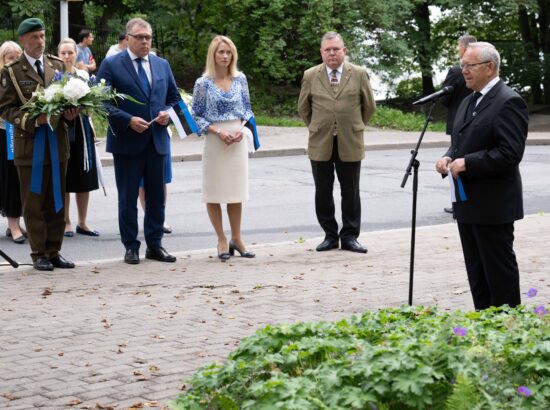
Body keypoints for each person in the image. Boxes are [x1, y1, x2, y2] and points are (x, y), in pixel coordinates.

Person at [435, 42, 528, 310]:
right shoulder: (468, 100)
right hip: (467, 202)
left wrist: (468, 164)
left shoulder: (508, 101)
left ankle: (507, 326)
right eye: (462, 65)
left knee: (498, 270)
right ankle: (482, 322)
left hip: (494, 204)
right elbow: (461, 143)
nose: (463, 71)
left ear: (489, 67)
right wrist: (449, 157)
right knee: (476, 270)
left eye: (469, 65)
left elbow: (510, 154)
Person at [97, 18, 179, 265]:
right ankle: (130, 246)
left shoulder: (161, 64)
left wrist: (168, 114)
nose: (145, 41)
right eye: (140, 37)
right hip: (127, 142)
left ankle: (155, 245)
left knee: (156, 197)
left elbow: (174, 98)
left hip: (156, 141)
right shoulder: (111, 64)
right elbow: (101, 102)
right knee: (128, 197)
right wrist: (127, 119)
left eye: (148, 37)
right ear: (128, 38)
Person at [0, 18, 78, 271]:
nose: (41, 42)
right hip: (30, 145)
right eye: (35, 37)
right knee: (33, 202)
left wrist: (70, 114)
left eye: (43, 36)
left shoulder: (56, 65)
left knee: (57, 198)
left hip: (57, 142)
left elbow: (67, 98)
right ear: (23, 40)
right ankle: (39, 253)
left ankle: (55, 251)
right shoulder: (12, 71)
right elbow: (5, 109)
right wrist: (33, 120)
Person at [298, 32, 376, 254]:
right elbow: (303, 108)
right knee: (323, 192)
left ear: (344, 50)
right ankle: (330, 236)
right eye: (327, 49)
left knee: (350, 191)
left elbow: (368, 106)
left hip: (350, 140)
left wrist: (352, 125)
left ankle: (350, 237)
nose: (332, 53)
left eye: (335, 49)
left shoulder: (359, 74)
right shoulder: (311, 75)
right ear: (321, 53)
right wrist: (317, 126)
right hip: (320, 141)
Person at [192, 35, 256, 262]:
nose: (225, 56)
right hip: (215, 139)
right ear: (213, 54)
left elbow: (248, 110)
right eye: (221, 52)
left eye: (228, 52)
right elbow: (196, 115)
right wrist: (219, 132)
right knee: (215, 192)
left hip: (237, 140)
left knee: (236, 192)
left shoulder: (240, 79)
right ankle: (221, 239)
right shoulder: (203, 83)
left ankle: (237, 238)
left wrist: (240, 129)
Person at [57, 38, 100, 238]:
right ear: (58, 55)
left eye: (70, 53)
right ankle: (66, 221)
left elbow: (92, 102)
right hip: (63, 131)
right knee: (65, 176)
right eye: (63, 53)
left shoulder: (83, 75)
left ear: (76, 54)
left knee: (84, 175)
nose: (67, 56)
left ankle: (83, 222)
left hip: (82, 129)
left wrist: (86, 108)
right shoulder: (55, 77)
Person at [440, 34, 477, 214]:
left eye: (458, 47)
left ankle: (457, 202)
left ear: (463, 48)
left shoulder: (455, 71)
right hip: (472, 121)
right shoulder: (462, 71)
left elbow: (444, 98)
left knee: (457, 158)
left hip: (458, 120)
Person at [0, 41, 26, 244]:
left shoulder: (24, 77)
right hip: (4, 135)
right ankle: (13, 225)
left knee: (20, 179)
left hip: (23, 133)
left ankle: (16, 221)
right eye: (10, 58)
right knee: (9, 179)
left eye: (18, 57)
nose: (15, 61)